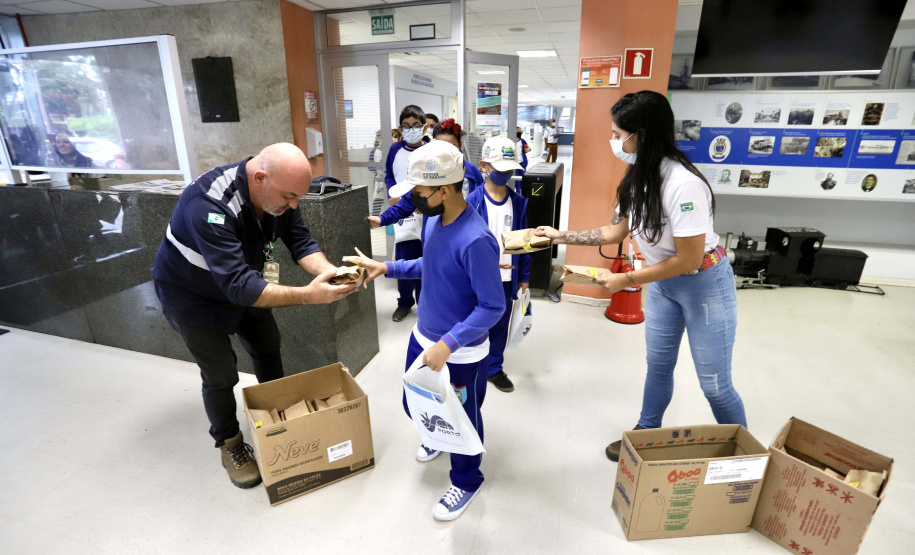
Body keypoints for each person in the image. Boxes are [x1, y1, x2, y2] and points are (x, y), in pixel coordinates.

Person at [536, 90, 746, 462]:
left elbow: (689, 259)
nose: (614, 142)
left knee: (714, 385)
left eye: (619, 134)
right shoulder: (637, 178)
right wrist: (561, 235)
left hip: (704, 286)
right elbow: (615, 232)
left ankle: (745, 458)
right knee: (659, 366)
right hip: (665, 286)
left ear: (642, 135)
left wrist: (627, 280)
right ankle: (645, 434)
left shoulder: (684, 185)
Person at [152, 143, 357, 489]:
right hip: (192, 294)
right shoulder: (208, 204)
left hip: (245, 279)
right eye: (289, 197)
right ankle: (229, 443)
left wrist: (331, 274)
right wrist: (309, 296)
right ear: (260, 178)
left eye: (298, 198)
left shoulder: (281, 190)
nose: (294, 205)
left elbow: (300, 241)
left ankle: (276, 416)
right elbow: (240, 288)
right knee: (220, 374)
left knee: (267, 346)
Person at [344, 140, 504, 521]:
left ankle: (467, 480)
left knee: (461, 417)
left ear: (444, 190)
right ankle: (437, 437)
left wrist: (449, 344)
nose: (413, 198)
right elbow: (431, 266)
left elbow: (493, 306)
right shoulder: (434, 218)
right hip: (424, 337)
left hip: (459, 352)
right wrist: (389, 268)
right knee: (414, 404)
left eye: (418, 190)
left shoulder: (477, 240)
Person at [465, 135, 528, 393]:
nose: (505, 173)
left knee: (501, 323)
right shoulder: (471, 202)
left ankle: (494, 368)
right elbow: (464, 244)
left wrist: (524, 277)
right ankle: (470, 364)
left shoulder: (519, 202)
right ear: (485, 166)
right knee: (473, 320)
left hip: (506, 278)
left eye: (509, 169)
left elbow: (526, 243)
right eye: (499, 169)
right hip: (476, 278)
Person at [369, 119, 484, 240]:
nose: (445, 153)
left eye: (452, 146)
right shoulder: (425, 172)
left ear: (460, 145)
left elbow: (481, 202)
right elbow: (406, 202)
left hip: (465, 233)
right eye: (440, 146)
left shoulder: (471, 171)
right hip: (435, 235)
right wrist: (381, 219)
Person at [384, 105, 427, 322]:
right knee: (403, 261)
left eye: (416, 126)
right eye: (406, 126)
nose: (411, 130)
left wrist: (426, 202)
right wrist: (392, 193)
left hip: (426, 214)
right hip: (402, 213)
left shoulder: (431, 149)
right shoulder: (395, 150)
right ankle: (404, 303)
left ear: (424, 127)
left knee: (424, 260)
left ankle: (424, 304)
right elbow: (389, 175)